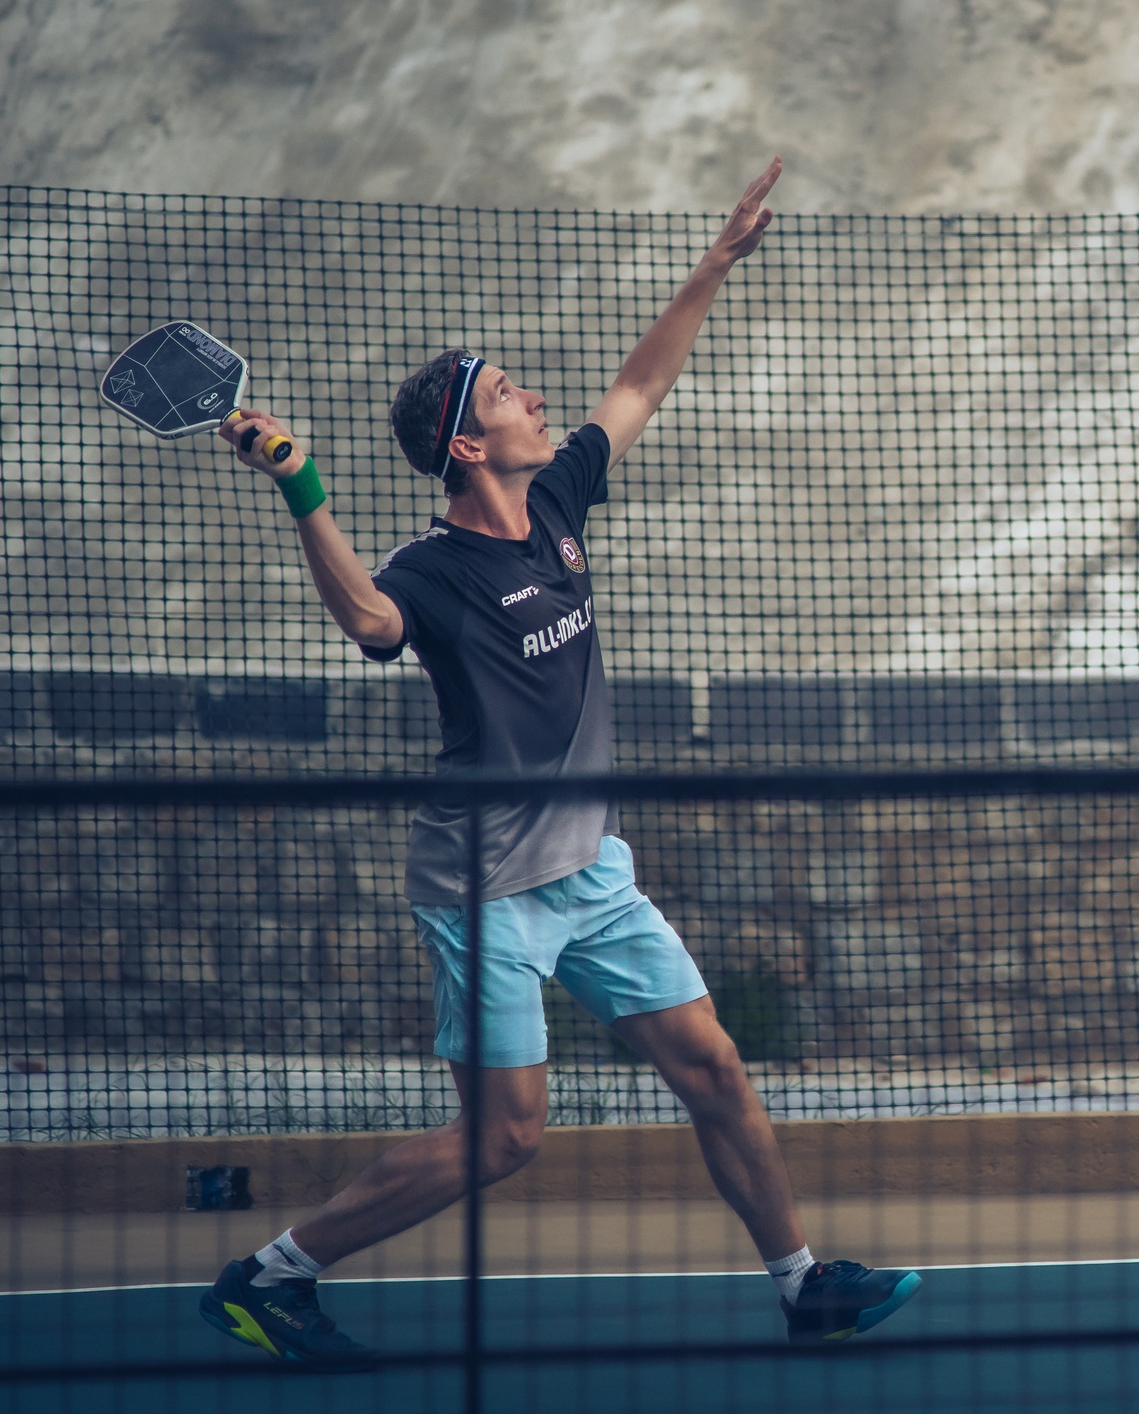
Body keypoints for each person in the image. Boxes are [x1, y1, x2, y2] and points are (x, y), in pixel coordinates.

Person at [196, 158, 920, 1369]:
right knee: (506, 1138)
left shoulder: (560, 505)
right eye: (508, 393)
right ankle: (268, 1279)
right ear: (468, 444)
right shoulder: (432, 570)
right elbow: (371, 624)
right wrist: (302, 486)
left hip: (590, 870)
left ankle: (804, 1288)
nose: (537, 399)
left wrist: (714, 263)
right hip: (484, 887)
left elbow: (639, 384)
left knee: (712, 1067)